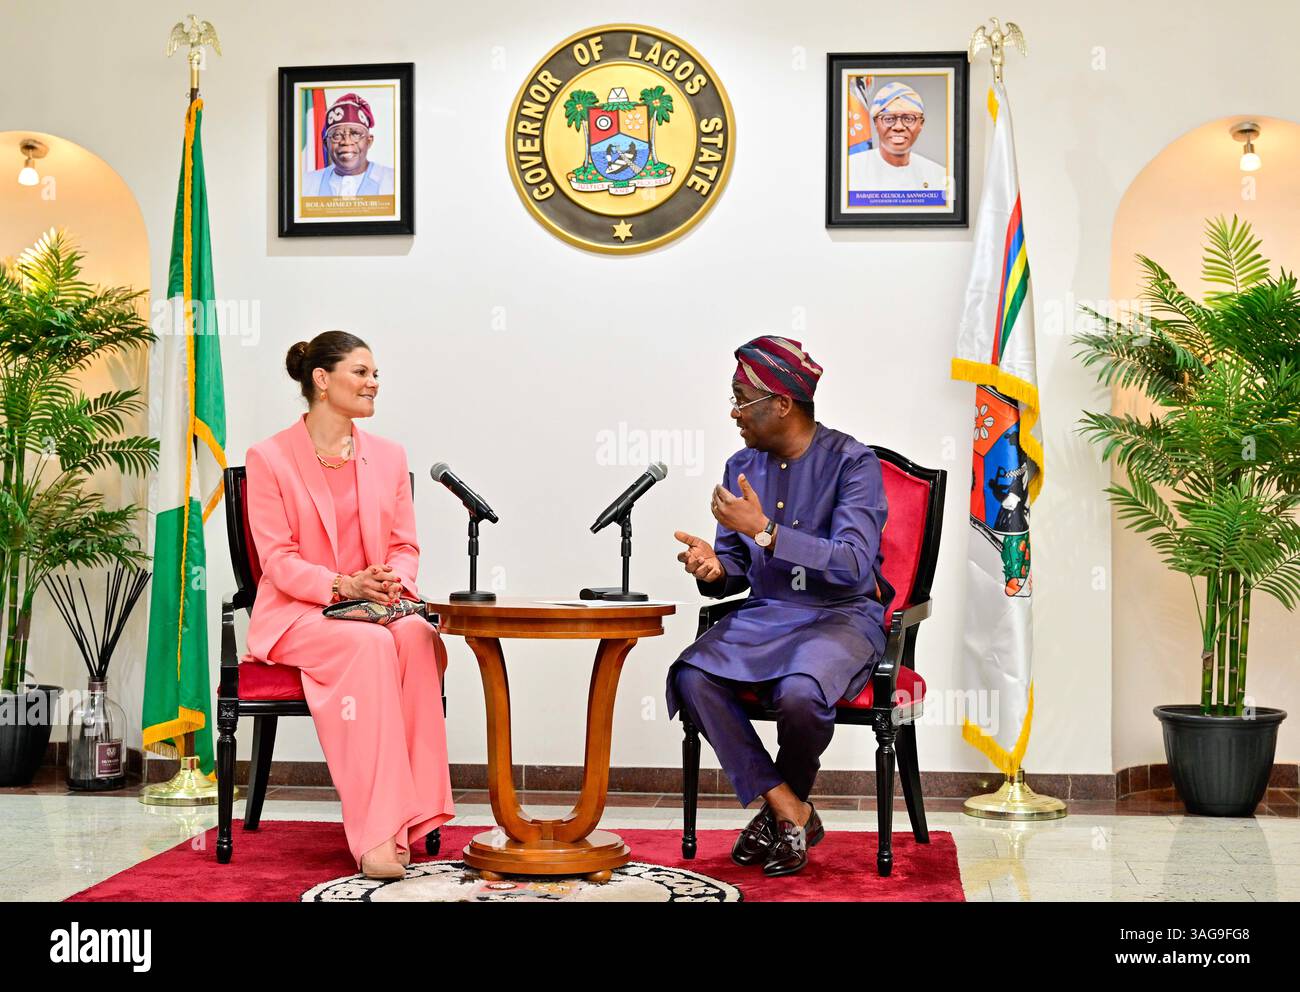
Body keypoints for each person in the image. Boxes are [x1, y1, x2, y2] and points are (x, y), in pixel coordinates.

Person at [667, 336, 892, 877]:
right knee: (692, 677)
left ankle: (781, 814)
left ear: (782, 403)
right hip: (769, 613)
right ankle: (790, 809)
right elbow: (735, 564)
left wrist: (767, 531)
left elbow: (853, 564)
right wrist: (715, 568)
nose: (733, 411)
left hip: (841, 615)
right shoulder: (740, 464)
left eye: (741, 398)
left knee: (799, 693)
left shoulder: (852, 463)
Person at [244, 331, 453, 879]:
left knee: (416, 637)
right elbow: (277, 562)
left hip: (375, 608)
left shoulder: (388, 457)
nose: (373, 383)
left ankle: (414, 817)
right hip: (299, 613)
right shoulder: (268, 458)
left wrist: (389, 582)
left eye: (375, 373)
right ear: (321, 380)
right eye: (361, 372)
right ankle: (378, 833)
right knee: (369, 647)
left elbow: (405, 546)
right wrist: (343, 586)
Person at [847, 80, 947, 195]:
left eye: (909, 119)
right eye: (889, 119)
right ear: (875, 123)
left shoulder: (940, 176)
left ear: (921, 124)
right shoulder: (849, 171)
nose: (898, 127)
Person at [304, 92, 396, 197]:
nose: (347, 142)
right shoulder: (305, 183)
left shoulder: (394, 181)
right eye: (337, 135)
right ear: (326, 144)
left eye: (355, 134)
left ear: (369, 141)